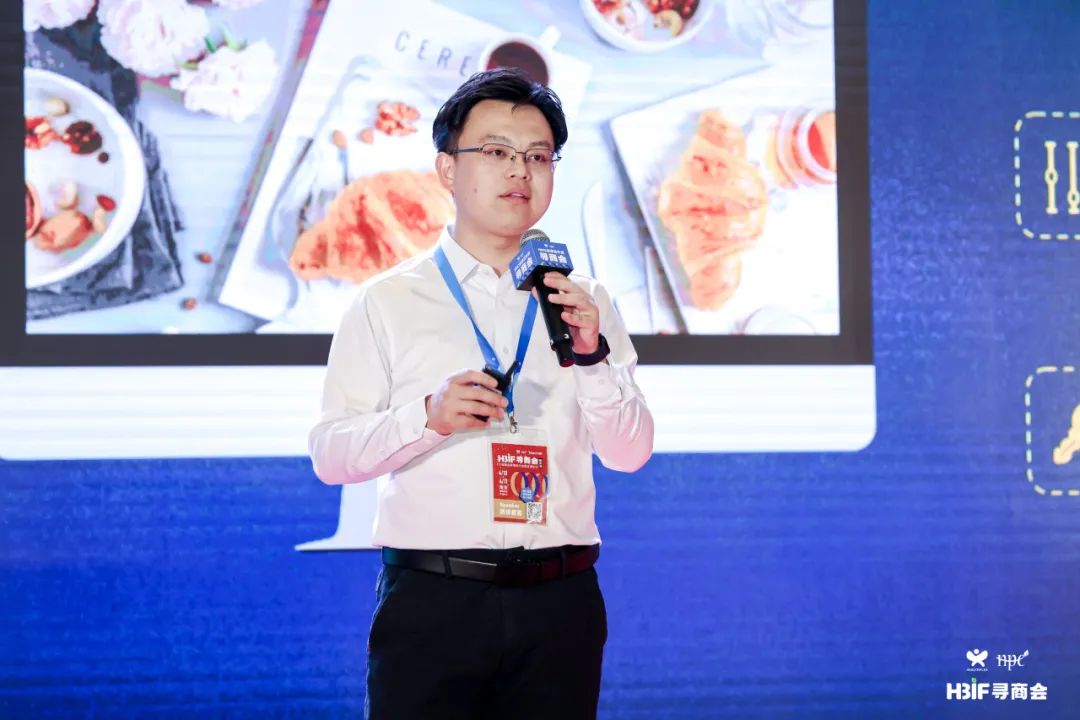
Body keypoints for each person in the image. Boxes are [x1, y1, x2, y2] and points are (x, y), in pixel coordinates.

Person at [308, 67, 654, 720]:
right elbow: (331, 455)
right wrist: (428, 418)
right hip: (435, 600)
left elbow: (629, 452)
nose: (520, 170)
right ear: (447, 168)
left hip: (560, 602)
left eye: (538, 156)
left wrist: (592, 355)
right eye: (497, 151)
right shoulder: (388, 301)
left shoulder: (587, 301)